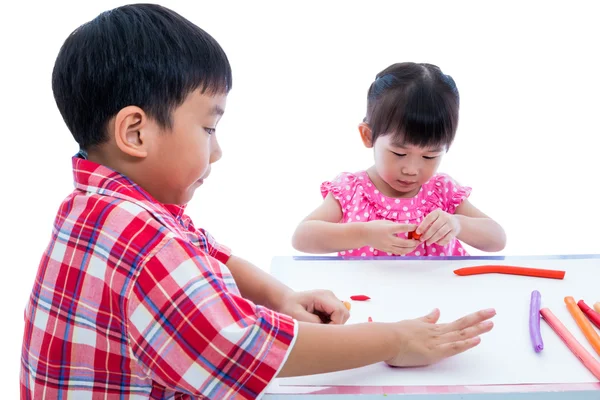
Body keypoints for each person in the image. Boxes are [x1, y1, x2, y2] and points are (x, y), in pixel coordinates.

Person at [20, 5, 495, 399]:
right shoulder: (146, 246)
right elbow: (252, 349)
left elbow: (206, 251)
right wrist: (396, 339)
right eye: (209, 128)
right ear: (135, 132)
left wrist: (281, 296)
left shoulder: (97, 205)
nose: (218, 150)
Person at [293, 62, 506, 257]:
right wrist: (363, 233)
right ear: (368, 136)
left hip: (438, 296)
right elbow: (302, 237)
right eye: (399, 153)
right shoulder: (352, 191)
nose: (412, 169)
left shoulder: (441, 191)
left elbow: (497, 239)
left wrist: (458, 225)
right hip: (368, 297)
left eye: (429, 156)